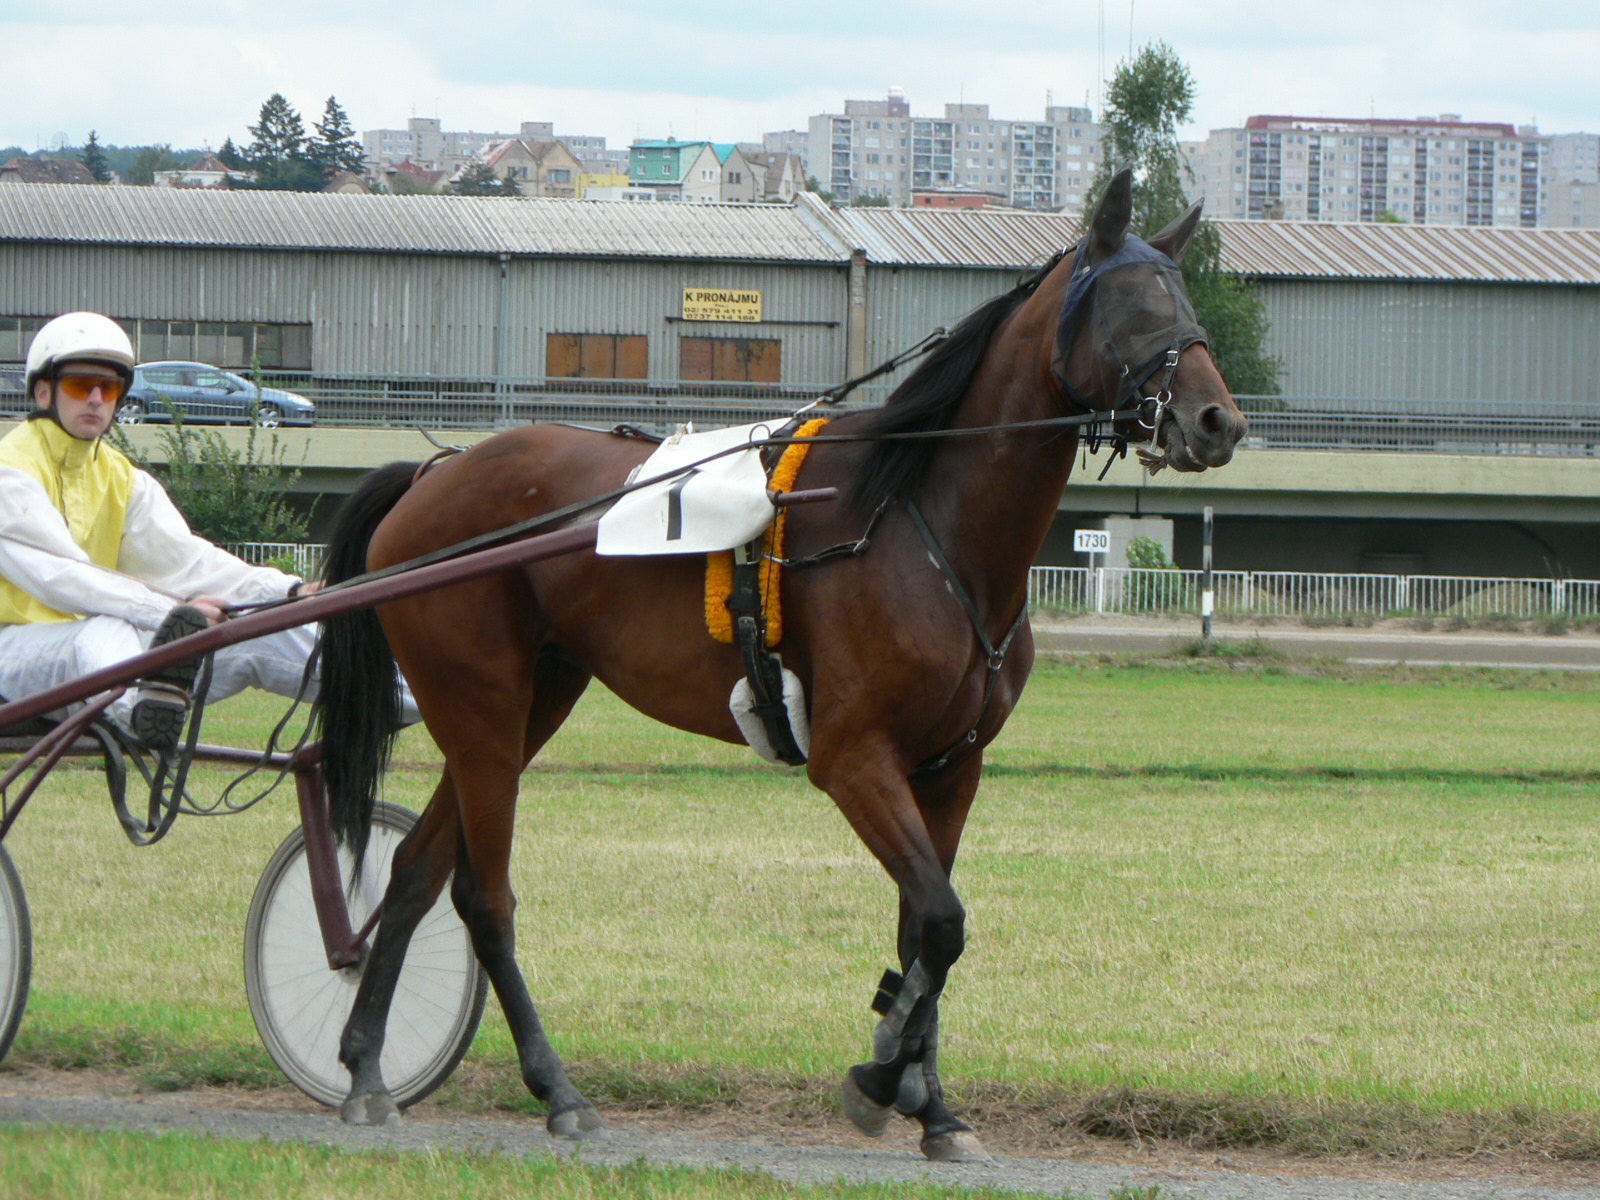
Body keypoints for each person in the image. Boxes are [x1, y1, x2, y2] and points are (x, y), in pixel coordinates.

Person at [0, 311, 406, 748]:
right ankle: (141, 715)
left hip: (106, 661)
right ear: (43, 391)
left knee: (268, 629)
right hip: (17, 658)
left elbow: (191, 562)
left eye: (110, 387)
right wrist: (175, 614)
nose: (97, 398)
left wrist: (291, 594)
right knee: (105, 628)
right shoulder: (10, 471)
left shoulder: (124, 478)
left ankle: (419, 694)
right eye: (82, 385)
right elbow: (63, 577)